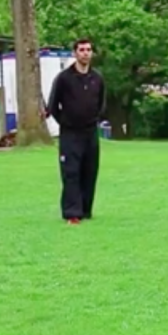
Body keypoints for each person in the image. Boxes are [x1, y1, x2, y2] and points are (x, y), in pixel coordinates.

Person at [44, 38, 106, 224]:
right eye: (81, 50)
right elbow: (53, 105)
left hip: (90, 133)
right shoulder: (63, 78)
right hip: (70, 133)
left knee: (89, 171)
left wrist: (95, 119)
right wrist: (65, 122)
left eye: (88, 50)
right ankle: (72, 213)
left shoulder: (97, 78)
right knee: (71, 172)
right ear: (75, 53)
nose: (85, 53)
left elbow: (102, 103)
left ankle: (86, 210)